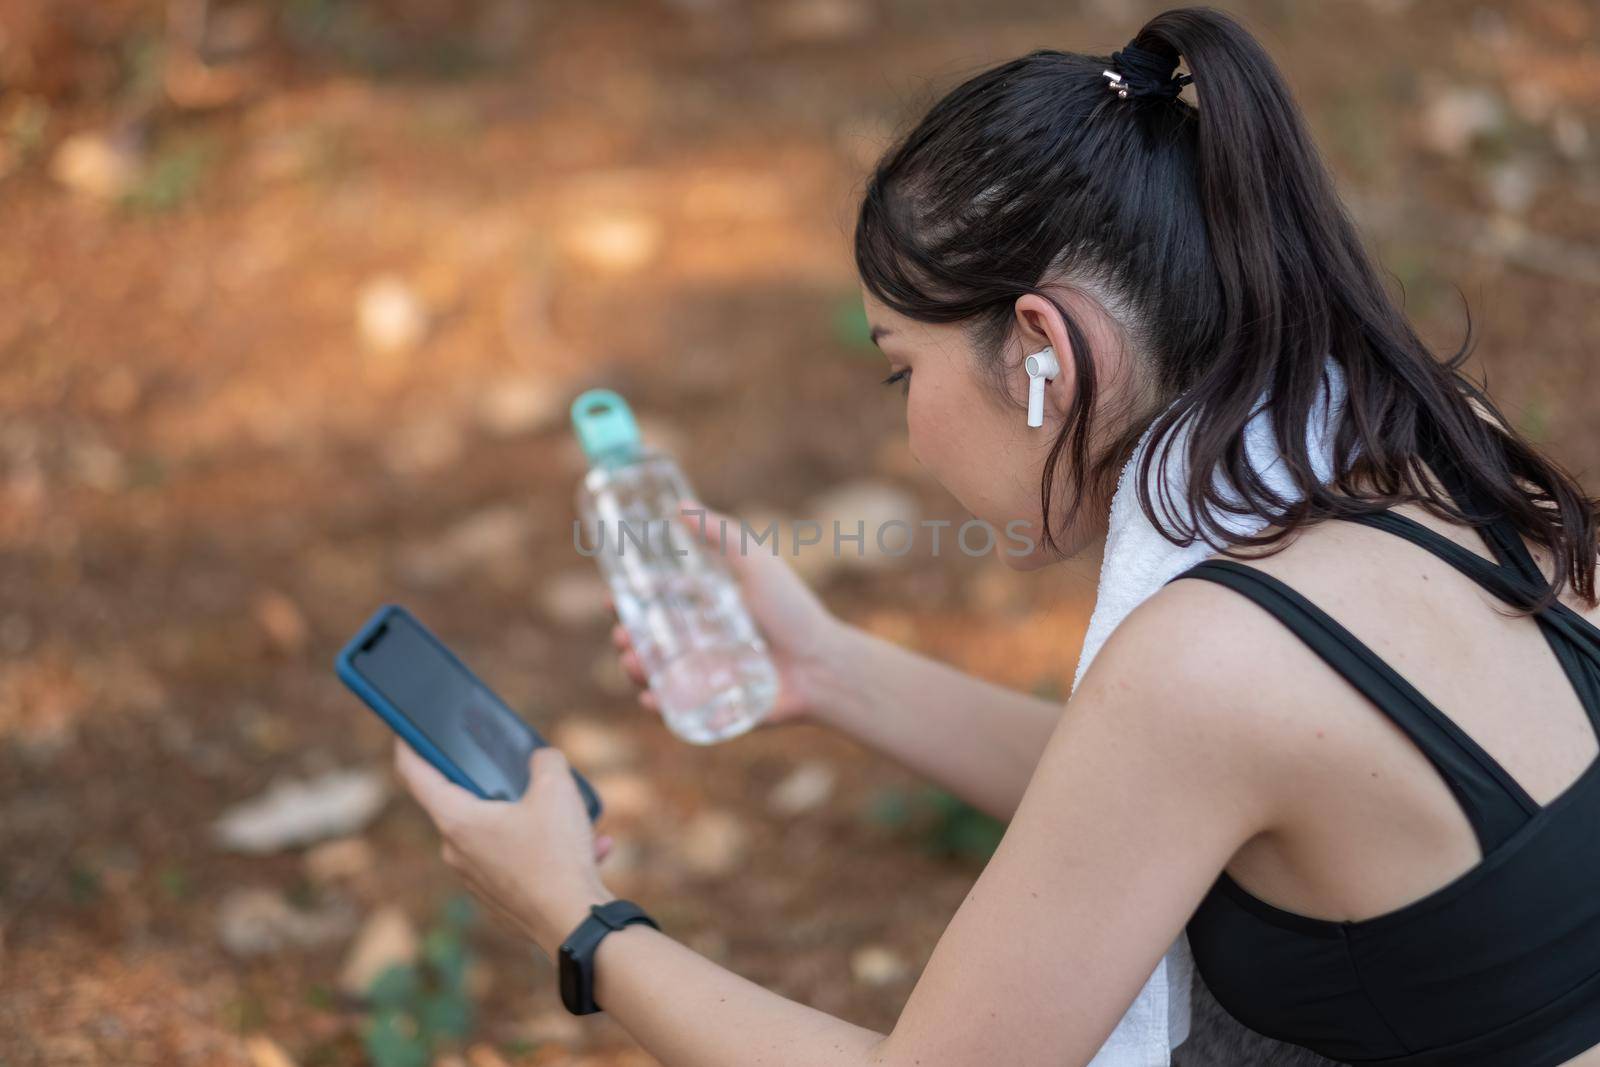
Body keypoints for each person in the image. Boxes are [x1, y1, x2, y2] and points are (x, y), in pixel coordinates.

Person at [392, 7, 1600, 1065]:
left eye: (898, 372)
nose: (909, 437)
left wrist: (577, 916)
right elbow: (1158, 799)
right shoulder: (1418, 442)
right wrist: (829, 667)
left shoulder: (1211, 660)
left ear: (1039, 351)